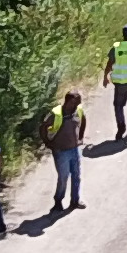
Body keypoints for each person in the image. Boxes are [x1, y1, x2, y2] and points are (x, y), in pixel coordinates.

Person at [43, 83, 87, 219]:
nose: (78, 105)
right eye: (76, 102)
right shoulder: (56, 114)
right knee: (63, 177)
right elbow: (43, 127)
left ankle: (75, 200)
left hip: (74, 149)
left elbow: (84, 120)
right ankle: (58, 202)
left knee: (76, 175)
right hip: (61, 151)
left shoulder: (77, 110)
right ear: (69, 101)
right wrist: (48, 143)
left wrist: (80, 138)